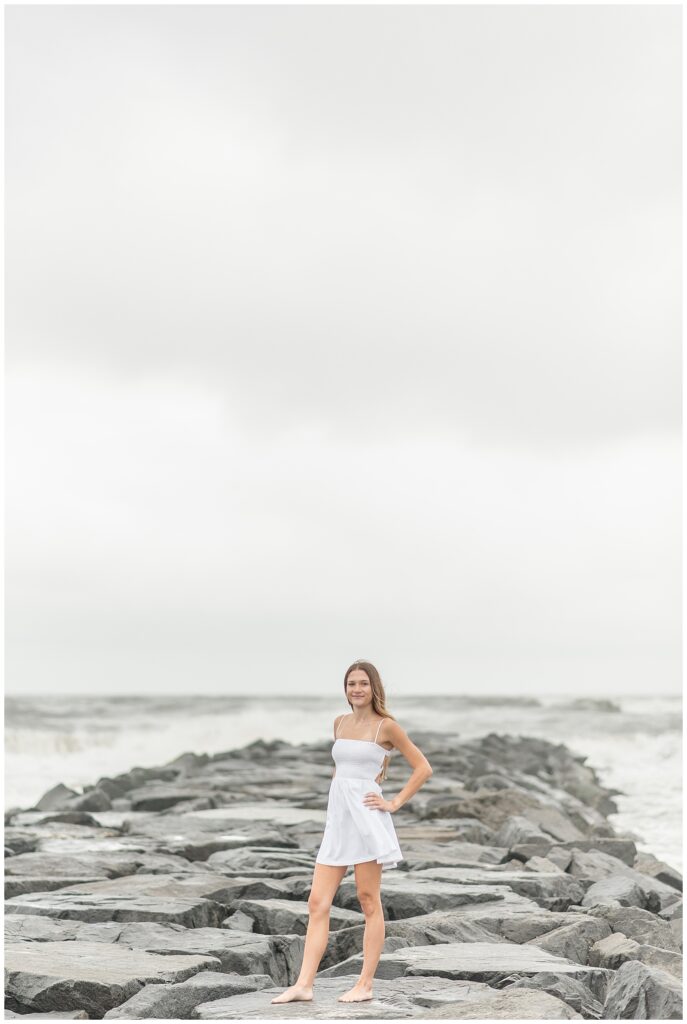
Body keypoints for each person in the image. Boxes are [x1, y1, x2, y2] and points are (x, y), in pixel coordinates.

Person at [271, 659, 433, 1004]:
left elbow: (423, 767)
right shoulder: (339, 722)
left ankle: (365, 985)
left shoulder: (386, 727)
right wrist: (333, 815)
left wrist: (394, 802)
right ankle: (304, 985)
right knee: (317, 902)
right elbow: (340, 774)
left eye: (362, 683)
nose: (356, 689)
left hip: (367, 820)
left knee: (368, 900)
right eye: (350, 684)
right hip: (339, 822)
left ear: (374, 688)